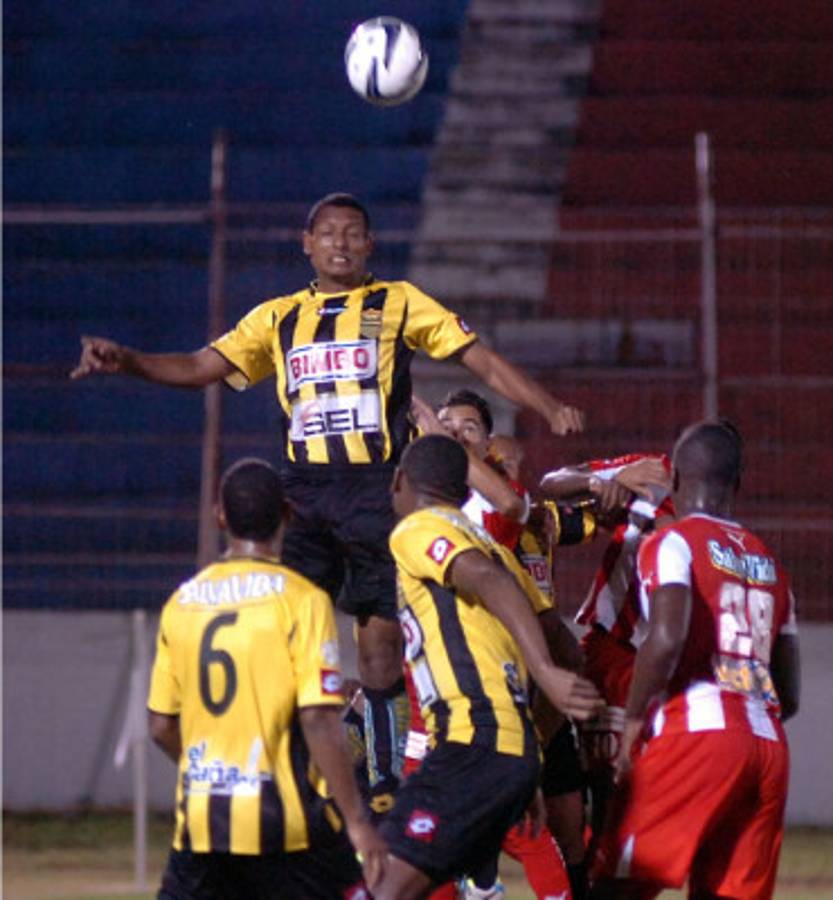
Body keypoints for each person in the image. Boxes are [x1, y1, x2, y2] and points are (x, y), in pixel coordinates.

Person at [72, 192, 585, 814]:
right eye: (329, 233)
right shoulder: (278, 317)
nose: (341, 242)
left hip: (378, 489)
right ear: (306, 243)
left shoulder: (398, 302)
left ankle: (388, 783)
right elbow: (199, 365)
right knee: (285, 630)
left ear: (370, 245)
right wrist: (127, 361)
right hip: (306, 496)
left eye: (353, 233)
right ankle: (281, 764)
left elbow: (478, 358)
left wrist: (547, 405)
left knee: (379, 641)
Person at [370, 434, 603, 900]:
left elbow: (483, 577)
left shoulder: (419, 529)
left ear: (399, 482)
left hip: (471, 741)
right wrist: (524, 763)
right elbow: (566, 649)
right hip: (502, 750)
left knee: (382, 883)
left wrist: (542, 669)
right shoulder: (498, 549)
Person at [146, 458, 385, 898]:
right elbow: (317, 718)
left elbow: (161, 726)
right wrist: (356, 821)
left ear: (220, 516)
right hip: (286, 822)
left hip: (203, 817)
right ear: (288, 515)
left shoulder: (181, 603)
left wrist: (215, 772)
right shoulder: (302, 601)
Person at [590, 421, 801, 899]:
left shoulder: (674, 542)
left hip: (698, 732)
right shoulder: (772, 564)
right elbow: (789, 693)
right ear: (737, 486)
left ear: (677, 481)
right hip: (768, 747)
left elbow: (665, 638)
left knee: (618, 886)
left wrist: (631, 729)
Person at [539, 452, 672, 847]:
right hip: (613, 648)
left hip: (670, 661)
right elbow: (551, 480)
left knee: (645, 786)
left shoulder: (716, 528)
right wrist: (605, 481)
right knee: (602, 780)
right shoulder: (653, 474)